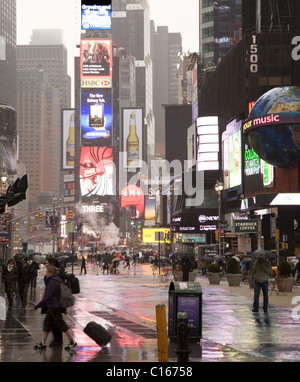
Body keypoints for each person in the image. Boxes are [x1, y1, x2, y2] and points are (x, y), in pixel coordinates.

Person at [34, 265, 77, 350]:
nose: (45, 274)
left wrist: (39, 305)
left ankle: (72, 341)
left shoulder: (53, 282)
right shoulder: (54, 280)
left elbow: (48, 295)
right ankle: (43, 342)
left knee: (61, 324)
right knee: (47, 324)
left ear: (51, 273)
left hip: (55, 306)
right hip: (52, 306)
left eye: (47, 272)